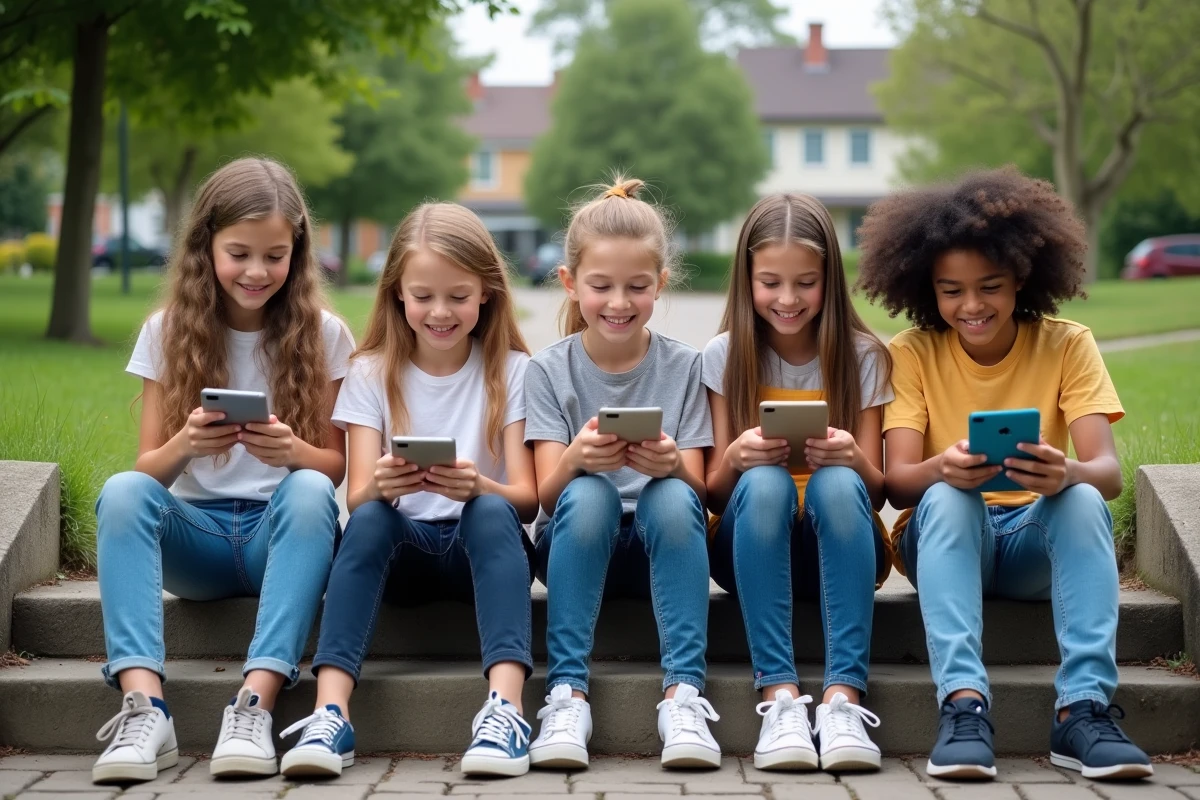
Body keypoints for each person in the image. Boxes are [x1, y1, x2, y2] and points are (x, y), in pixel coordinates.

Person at [857, 166, 1153, 781]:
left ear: (1021, 276)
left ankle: (1083, 710)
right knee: (947, 497)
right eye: (951, 290)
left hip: (1030, 542)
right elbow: (897, 483)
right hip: (943, 534)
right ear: (926, 288)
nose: (971, 306)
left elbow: (1109, 474)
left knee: (1081, 500)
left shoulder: (1068, 344)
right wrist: (945, 467)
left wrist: (1063, 471)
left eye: (989, 286)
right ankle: (964, 707)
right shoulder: (911, 351)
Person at [92, 157, 353, 783]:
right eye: (239, 253)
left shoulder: (325, 334)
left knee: (312, 486)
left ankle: (255, 704)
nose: (257, 271)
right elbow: (147, 474)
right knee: (121, 492)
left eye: (275, 255)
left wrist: (291, 453)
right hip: (198, 544)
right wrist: (186, 442)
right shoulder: (168, 332)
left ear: (297, 252)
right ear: (205, 246)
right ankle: (144, 708)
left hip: (278, 538)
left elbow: (336, 468)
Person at [278, 202, 538, 778]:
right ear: (398, 293)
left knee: (493, 511)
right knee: (369, 520)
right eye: (423, 296)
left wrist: (478, 485)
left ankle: (506, 711)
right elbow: (356, 499)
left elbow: (528, 498)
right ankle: (330, 713)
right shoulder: (370, 371)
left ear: (487, 293)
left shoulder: (515, 370)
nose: (440, 312)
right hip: (405, 553)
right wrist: (384, 486)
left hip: (484, 548)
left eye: (457, 296)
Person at [524, 178, 718, 769]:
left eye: (637, 287)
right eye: (600, 286)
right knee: (587, 496)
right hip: (579, 546)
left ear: (660, 284)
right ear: (569, 283)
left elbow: (704, 489)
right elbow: (543, 498)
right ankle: (566, 693)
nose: (618, 303)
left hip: (661, 548)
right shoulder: (548, 371)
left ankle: (684, 693)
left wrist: (672, 466)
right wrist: (577, 458)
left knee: (671, 496)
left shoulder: (686, 366)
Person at [703, 193, 892, 772]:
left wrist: (855, 456)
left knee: (836, 484)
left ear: (829, 280)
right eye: (770, 282)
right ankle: (779, 696)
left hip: (838, 544)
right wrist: (736, 456)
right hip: (752, 547)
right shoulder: (724, 355)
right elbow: (710, 492)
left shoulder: (865, 357)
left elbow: (876, 493)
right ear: (747, 280)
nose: (787, 299)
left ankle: (843, 700)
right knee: (766, 485)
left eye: (805, 282)